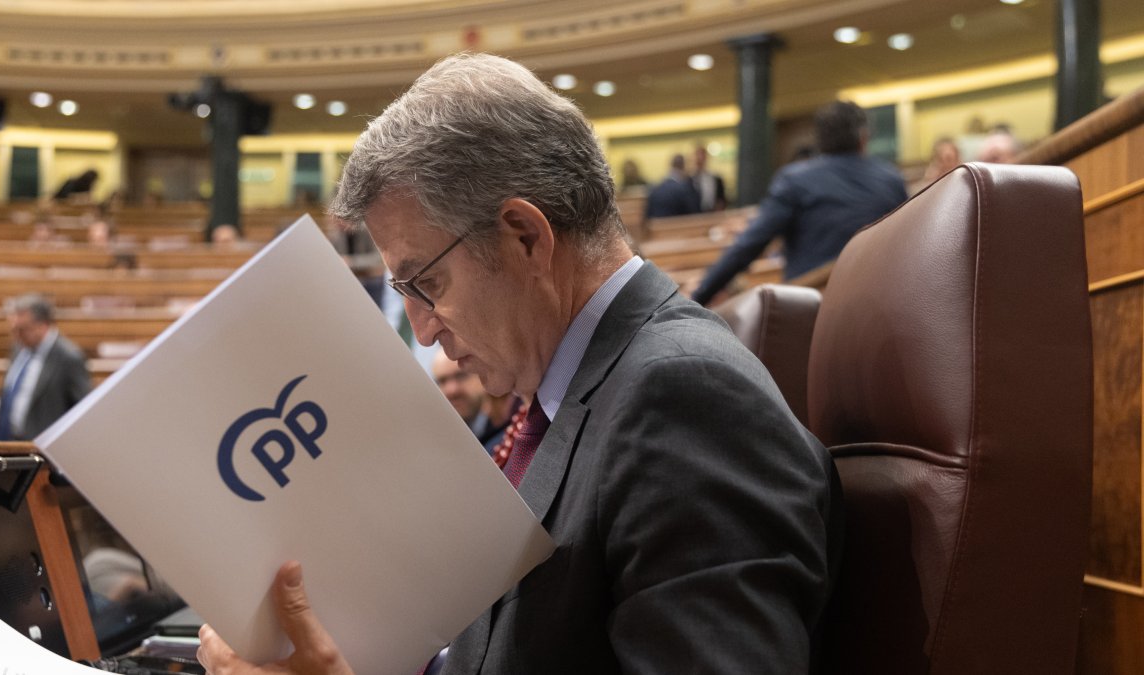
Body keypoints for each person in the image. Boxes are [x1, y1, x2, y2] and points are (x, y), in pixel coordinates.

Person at [198, 53, 840, 675]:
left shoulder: (687, 399)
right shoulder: (575, 391)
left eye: (426, 283)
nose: (422, 330)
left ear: (526, 236)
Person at [691, 100, 907, 305]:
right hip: (878, 306)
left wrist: (699, 296)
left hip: (809, 308)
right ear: (864, 137)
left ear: (820, 140)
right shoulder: (892, 180)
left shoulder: (794, 180)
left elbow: (749, 245)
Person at [0, 294, 91, 441]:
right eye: (14, 329)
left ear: (43, 325)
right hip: (8, 442)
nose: (17, 336)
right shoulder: (19, 348)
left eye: (22, 329)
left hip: (42, 449)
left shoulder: (69, 358)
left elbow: (82, 409)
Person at [430, 350, 504, 452]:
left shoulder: (510, 432)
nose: (452, 390)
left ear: (483, 376)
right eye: (442, 381)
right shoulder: (438, 445)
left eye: (461, 376)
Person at [644, 153, 700, 218]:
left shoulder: (655, 189)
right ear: (684, 166)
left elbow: (648, 214)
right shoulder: (685, 190)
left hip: (656, 226)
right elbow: (693, 214)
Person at [690, 144, 727, 211]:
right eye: (698, 156)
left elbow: (721, 199)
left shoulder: (715, 179)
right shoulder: (689, 180)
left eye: (702, 156)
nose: (700, 159)